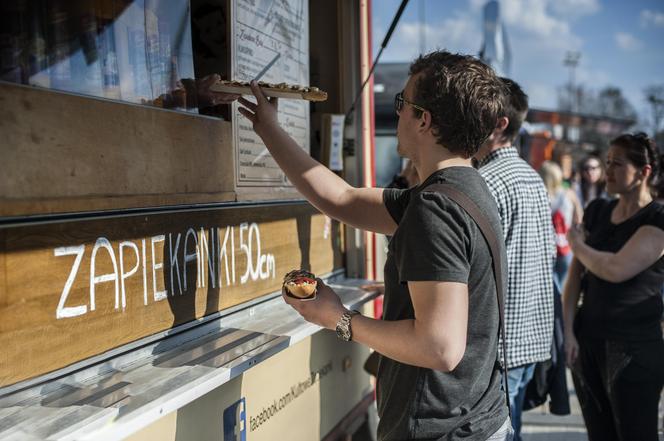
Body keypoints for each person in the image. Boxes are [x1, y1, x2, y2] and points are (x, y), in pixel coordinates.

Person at [238, 51, 512, 440]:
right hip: (476, 419)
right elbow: (342, 199)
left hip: (443, 430)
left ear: (424, 120)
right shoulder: (462, 190)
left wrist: (338, 318)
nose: (397, 112)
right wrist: (269, 129)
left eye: (403, 103)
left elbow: (439, 347)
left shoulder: (434, 208)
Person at [563, 132, 664, 441]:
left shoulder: (658, 218)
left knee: (636, 434)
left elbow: (615, 269)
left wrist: (576, 243)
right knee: (599, 435)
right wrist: (568, 332)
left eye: (617, 164)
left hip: (635, 349)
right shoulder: (597, 211)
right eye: (607, 162)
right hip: (588, 343)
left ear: (644, 172)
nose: (607, 171)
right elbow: (574, 280)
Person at [473, 78, 555, 441]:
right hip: (527, 340)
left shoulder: (487, 181)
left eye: (476, 114)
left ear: (499, 124)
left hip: (500, 348)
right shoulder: (532, 178)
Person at [539, 160, 582, 291]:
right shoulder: (569, 193)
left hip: (544, 247)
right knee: (562, 288)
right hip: (566, 245)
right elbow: (579, 219)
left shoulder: (539, 195)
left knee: (548, 288)